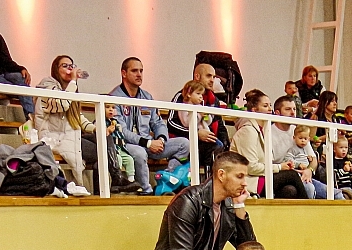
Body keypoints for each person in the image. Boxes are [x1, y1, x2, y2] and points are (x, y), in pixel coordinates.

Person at [110, 57, 189, 192]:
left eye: (141, 71)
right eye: (134, 71)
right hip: (126, 144)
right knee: (139, 152)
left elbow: (158, 123)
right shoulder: (114, 97)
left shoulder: (147, 97)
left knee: (184, 144)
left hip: (150, 144)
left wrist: (161, 139)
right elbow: (122, 131)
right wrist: (147, 143)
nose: (139, 74)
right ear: (124, 73)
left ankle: (167, 179)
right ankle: (146, 190)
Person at [32, 55, 91, 192]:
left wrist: (97, 129)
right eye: (65, 66)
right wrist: (74, 81)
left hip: (69, 137)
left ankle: (110, 186)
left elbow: (77, 117)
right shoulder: (47, 86)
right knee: (101, 148)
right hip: (53, 138)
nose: (70, 69)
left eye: (71, 66)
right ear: (56, 69)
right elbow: (62, 104)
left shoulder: (70, 89)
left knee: (104, 140)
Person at [167, 63, 224, 152]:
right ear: (197, 76)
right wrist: (196, 133)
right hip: (187, 143)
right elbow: (171, 124)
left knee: (220, 147)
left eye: (214, 77)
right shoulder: (182, 96)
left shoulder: (214, 100)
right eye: (208, 76)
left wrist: (226, 145)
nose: (212, 80)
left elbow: (220, 125)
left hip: (210, 142)